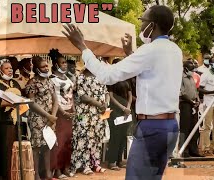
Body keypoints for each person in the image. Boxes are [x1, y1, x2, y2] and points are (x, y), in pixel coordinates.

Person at [62, 5, 182, 180]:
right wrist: (130, 55)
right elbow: (152, 74)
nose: (141, 26)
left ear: (153, 25)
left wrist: (82, 46)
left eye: (143, 21)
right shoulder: (175, 50)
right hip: (170, 126)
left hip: (152, 128)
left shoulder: (149, 51)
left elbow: (107, 76)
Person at [25, 56, 58, 180]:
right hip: (37, 118)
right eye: (43, 66)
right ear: (37, 69)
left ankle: (48, 173)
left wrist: (53, 116)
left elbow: (56, 100)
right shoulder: (32, 83)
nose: (46, 68)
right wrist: (48, 115)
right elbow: (31, 103)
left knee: (47, 144)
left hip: (50, 118)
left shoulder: (50, 81)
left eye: (46, 66)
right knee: (37, 146)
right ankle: (36, 174)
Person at [70, 67, 108, 175]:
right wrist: (100, 104)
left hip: (99, 113)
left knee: (96, 137)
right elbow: (83, 97)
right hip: (84, 112)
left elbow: (106, 92)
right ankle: (84, 165)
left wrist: (106, 103)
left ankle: (95, 163)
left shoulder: (100, 76)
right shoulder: (80, 77)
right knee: (84, 137)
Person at [48, 49, 75, 178]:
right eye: (62, 63)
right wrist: (63, 112)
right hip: (59, 113)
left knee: (68, 142)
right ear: (56, 64)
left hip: (69, 112)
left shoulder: (68, 78)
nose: (65, 65)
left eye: (65, 63)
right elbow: (55, 99)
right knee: (59, 142)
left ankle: (66, 167)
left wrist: (73, 109)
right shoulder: (52, 79)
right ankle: (57, 169)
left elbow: (71, 95)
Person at [107, 58, 133, 170]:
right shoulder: (111, 79)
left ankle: (119, 160)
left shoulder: (126, 79)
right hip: (115, 110)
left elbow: (130, 95)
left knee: (123, 136)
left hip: (126, 111)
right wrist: (122, 107)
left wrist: (128, 107)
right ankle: (111, 162)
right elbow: (111, 97)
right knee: (115, 136)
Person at [179, 60, 203, 157]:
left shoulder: (192, 77)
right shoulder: (180, 77)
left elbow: (195, 91)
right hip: (185, 104)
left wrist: (197, 100)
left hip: (194, 104)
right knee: (185, 128)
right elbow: (182, 93)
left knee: (194, 127)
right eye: (191, 69)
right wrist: (191, 102)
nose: (192, 71)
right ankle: (184, 150)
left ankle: (194, 150)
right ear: (185, 68)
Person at [199, 57, 214, 155]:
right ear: (211, 64)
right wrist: (212, 92)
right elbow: (200, 89)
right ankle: (206, 147)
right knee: (207, 126)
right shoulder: (206, 74)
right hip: (208, 103)